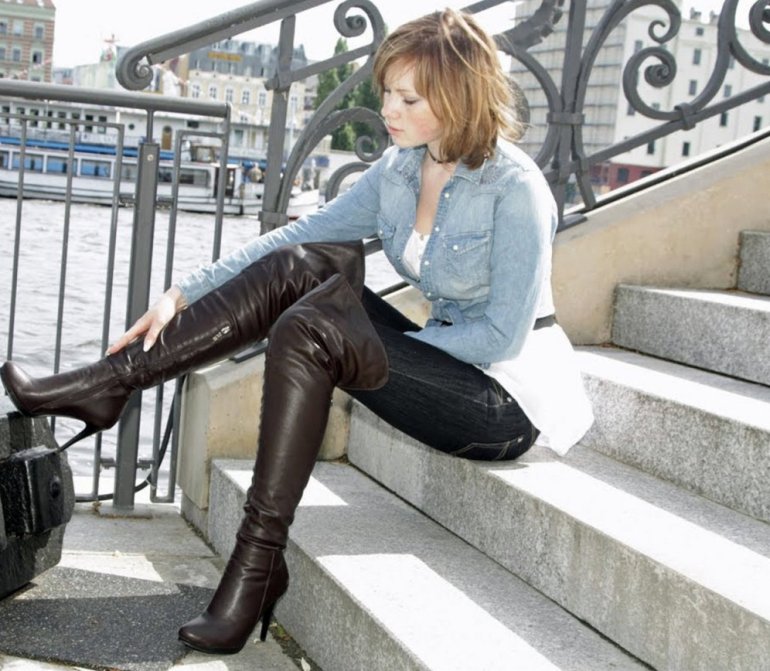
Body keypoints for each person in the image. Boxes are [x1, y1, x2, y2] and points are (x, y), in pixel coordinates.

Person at [0, 9, 593, 655]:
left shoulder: (515, 188)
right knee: (300, 267)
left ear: (459, 96)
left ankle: (257, 563)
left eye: (409, 99)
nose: (387, 110)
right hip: (441, 366)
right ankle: (111, 382)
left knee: (316, 328)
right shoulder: (400, 169)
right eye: (387, 92)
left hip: (502, 401)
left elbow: (500, 337)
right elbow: (296, 239)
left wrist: (366, 346)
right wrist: (180, 292)